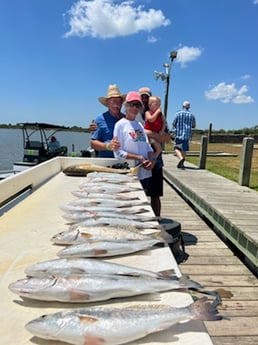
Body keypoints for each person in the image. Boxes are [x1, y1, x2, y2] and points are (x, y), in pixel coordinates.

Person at [113, 91, 156, 191]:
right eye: (132, 104)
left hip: (144, 174)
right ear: (126, 105)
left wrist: (152, 159)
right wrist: (138, 157)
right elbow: (117, 152)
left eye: (137, 105)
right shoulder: (120, 125)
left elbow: (147, 146)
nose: (134, 108)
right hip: (129, 174)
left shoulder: (140, 125)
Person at [90, 84, 126, 157]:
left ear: (122, 103)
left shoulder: (126, 119)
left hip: (125, 159)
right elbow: (93, 143)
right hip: (106, 160)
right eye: (112, 101)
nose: (116, 104)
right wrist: (108, 146)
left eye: (118, 101)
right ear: (107, 103)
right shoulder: (100, 119)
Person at [172, 100, 196, 169]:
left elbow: (174, 123)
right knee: (184, 149)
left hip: (179, 133)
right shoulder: (192, 115)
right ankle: (182, 164)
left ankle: (181, 158)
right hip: (187, 134)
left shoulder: (178, 113)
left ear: (182, 106)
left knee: (176, 147)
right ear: (189, 107)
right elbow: (193, 125)